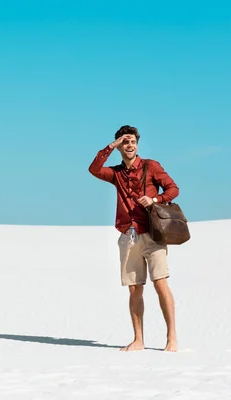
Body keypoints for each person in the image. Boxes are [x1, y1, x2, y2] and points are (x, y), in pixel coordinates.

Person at [88, 125, 179, 352]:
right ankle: (139, 339)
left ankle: (172, 339)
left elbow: (173, 188)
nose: (130, 146)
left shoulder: (151, 166)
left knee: (160, 283)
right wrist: (111, 146)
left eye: (133, 142)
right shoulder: (116, 173)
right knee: (134, 289)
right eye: (125, 142)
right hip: (128, 236)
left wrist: (155, 199)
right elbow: (94, 169)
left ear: (137, 145)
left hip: (153, 233)